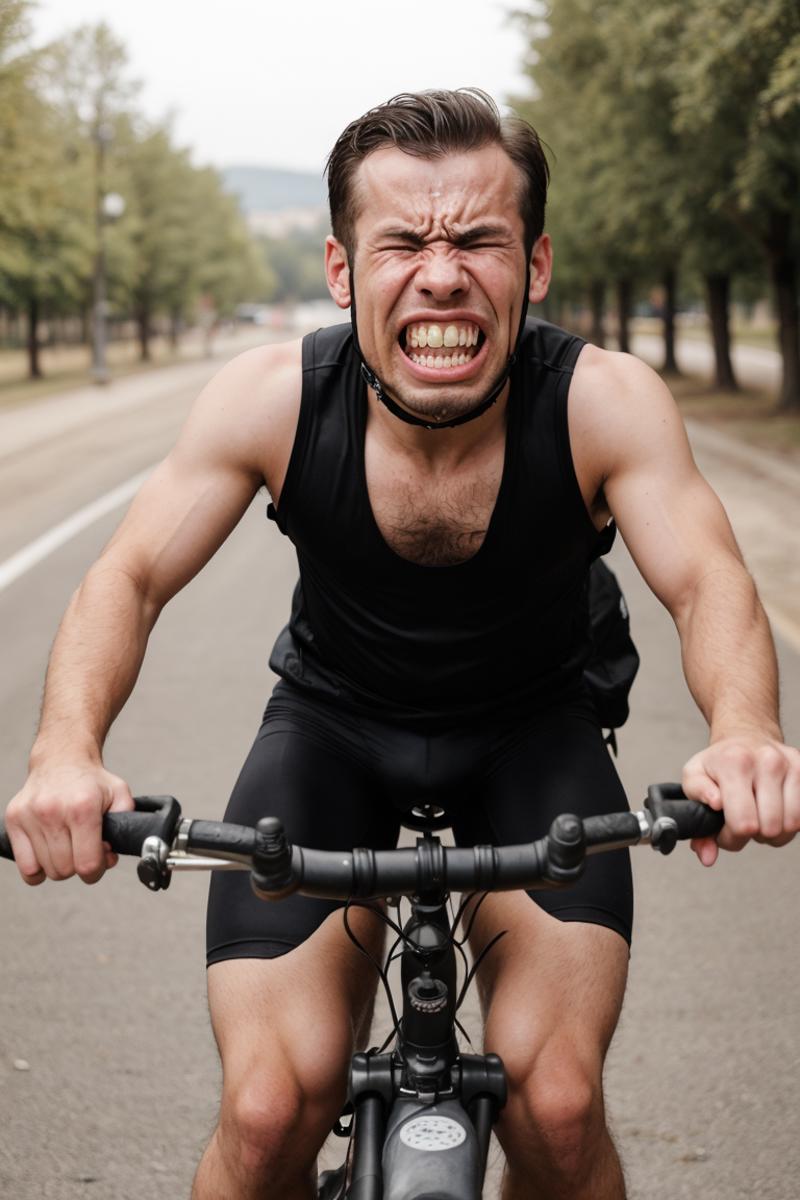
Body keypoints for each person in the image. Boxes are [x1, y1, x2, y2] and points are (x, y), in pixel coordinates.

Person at [5, 89, 798, 1200]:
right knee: (270, 1104)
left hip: (536, 737)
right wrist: (64, 753)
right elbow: (126, 578)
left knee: (558, 1109)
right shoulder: (273, 400)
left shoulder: (603, 403)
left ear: (535, 263)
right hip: (329, 734)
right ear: (340, 271)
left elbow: (707, 578)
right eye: (403, 243)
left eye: (478, 238)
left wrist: (744, 732)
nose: (441, 274)